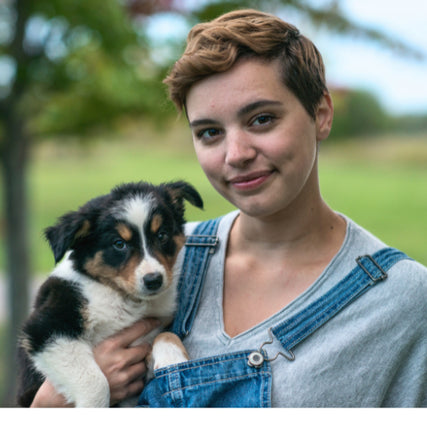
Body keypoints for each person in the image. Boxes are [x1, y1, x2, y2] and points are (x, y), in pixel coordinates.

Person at [30, 9, 427, 408]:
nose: (235, 155)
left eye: (262, 119)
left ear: (321, 114)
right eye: (209, 132)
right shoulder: (172, 257)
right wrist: (50, 404)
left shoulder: (404, 301)